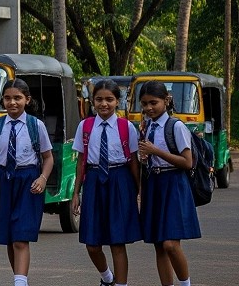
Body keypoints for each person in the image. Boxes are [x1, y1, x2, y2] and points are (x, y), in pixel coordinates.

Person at [0, 79, 54, 286]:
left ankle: (21, 283)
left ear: (27, 100)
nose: (12, 102)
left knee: (21, 236)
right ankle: (19, 279)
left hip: (28, 183)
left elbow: (48, 157)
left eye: (17, 98)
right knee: (11, 238)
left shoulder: (35, 126)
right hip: (4, 181)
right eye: (8, 98)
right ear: (2, 100)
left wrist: (43, 177)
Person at [74, 79, 141, 286]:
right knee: (92, 243)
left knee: (117, 241)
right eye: (99, 99)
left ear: (117, 101)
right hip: (93, 181)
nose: (104, 104)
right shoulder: (84, 126)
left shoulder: (126, 127)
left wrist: (139, 191)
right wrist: (76, 192)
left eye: (109, 99)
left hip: (119, 181)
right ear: (92, 101)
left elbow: (134, 162)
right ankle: (107, 277)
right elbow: (81, 161)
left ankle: (121, 284)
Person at [135, 81, 200, 286]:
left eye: (153, 102)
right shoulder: (146, 126)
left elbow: (187, 162)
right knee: (158, 245)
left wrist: (156, 151)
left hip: (173, 184)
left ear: (166, 100)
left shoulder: (176, 126)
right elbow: (145, 157)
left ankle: (185, 283)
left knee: (171, 244)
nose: (148, 108)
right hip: (153, 183)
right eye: (144, 104)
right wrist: (144, 157)